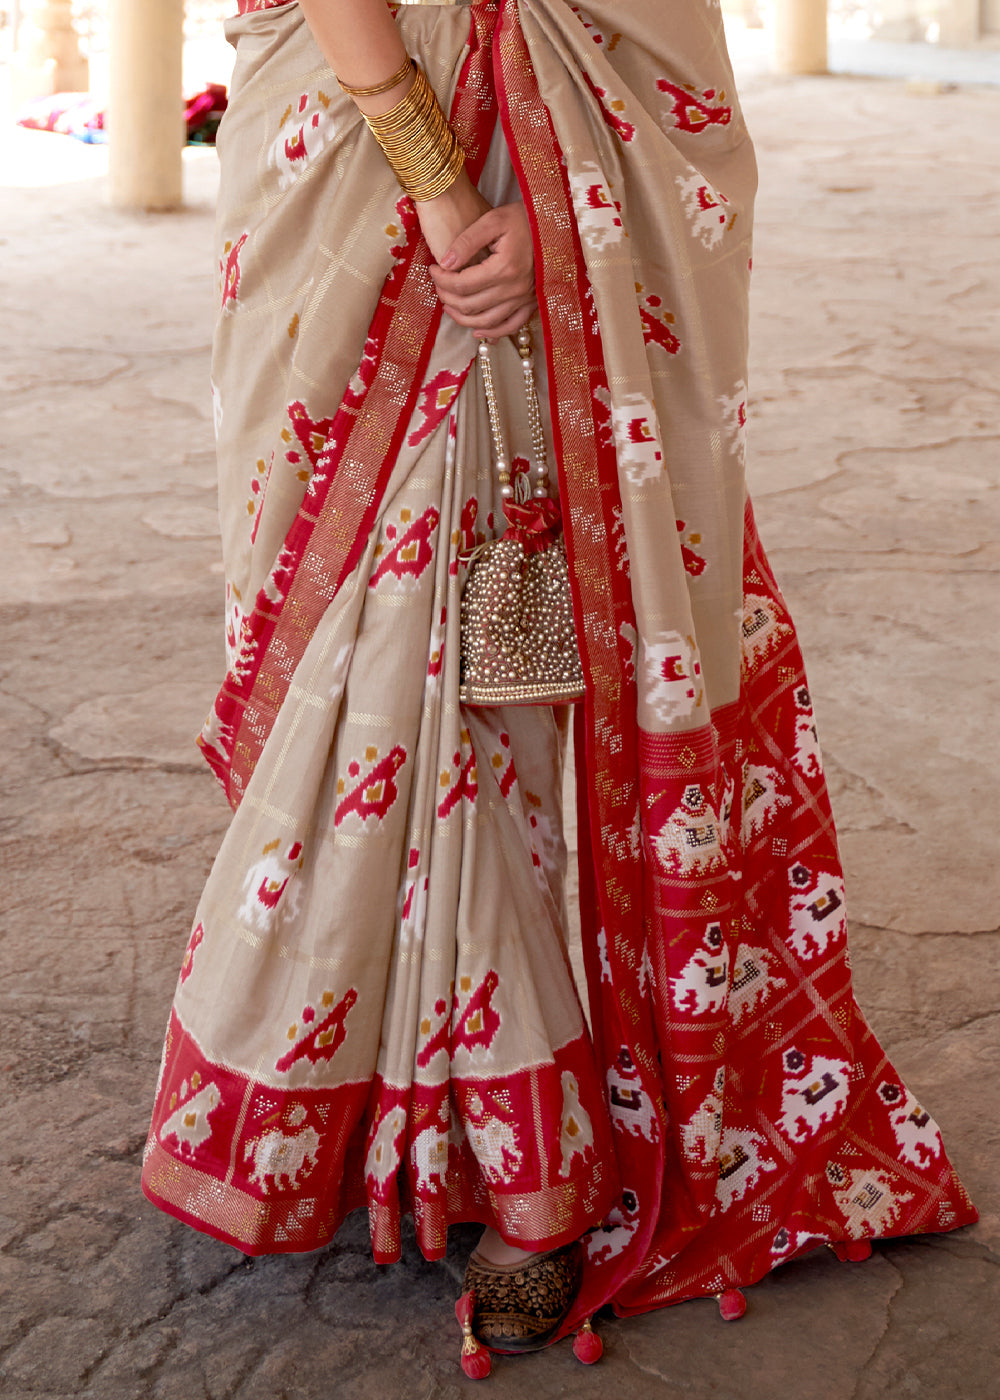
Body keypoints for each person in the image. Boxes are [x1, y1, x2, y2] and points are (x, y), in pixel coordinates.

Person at [141, 0, 977, 1374]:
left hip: (580, 136)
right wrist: (439, 175)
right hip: (373, 155)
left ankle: (530, 1163)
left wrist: (560, 187)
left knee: (515, 659)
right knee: (375, 646)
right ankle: (386, 1106)